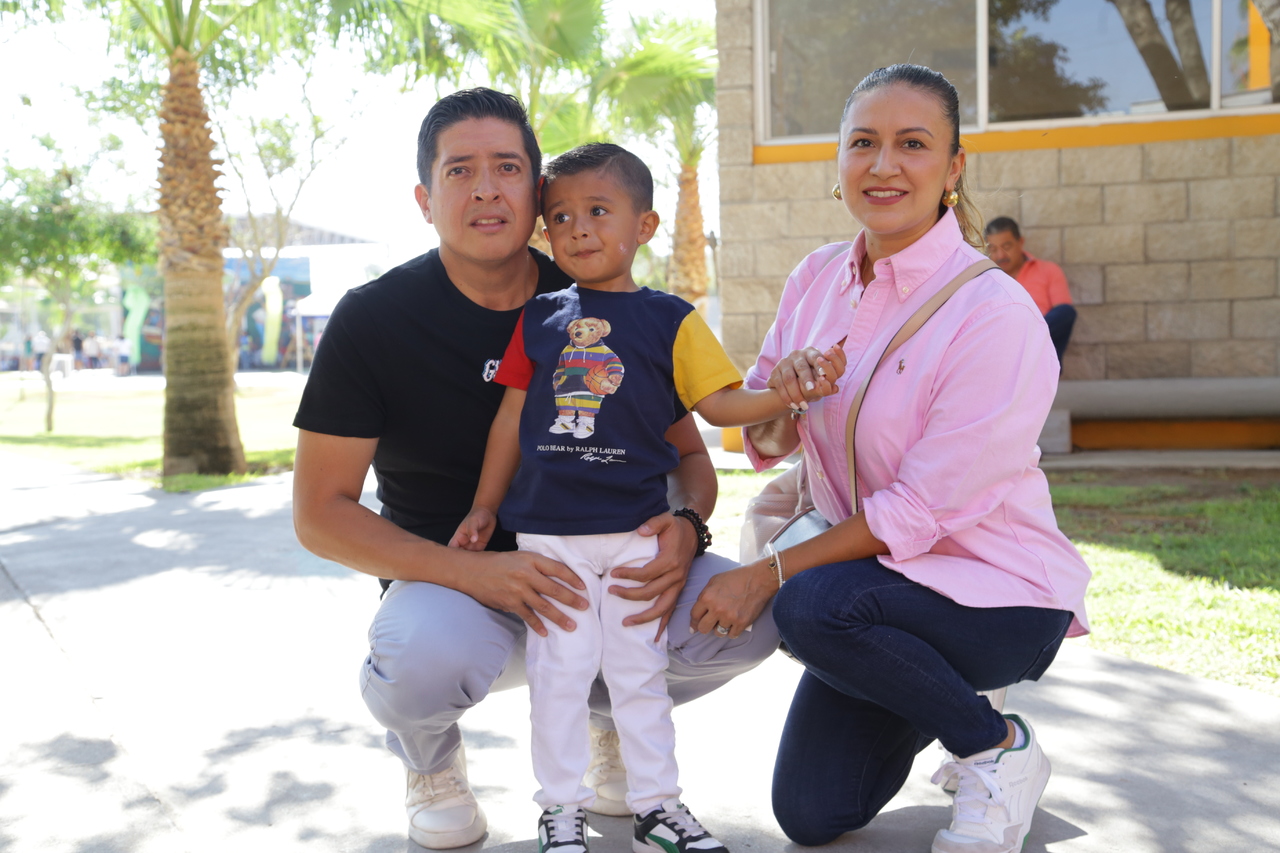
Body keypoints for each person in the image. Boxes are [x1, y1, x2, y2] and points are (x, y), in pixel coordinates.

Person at [290, 89, 781, 851]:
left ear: (537, 193)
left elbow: (689, 453)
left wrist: (686, 524)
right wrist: (478, 573)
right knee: (419, 661)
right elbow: (320, 513)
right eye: (461, 170)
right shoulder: (374, 318)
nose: (486, 187)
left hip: (611, 565)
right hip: (457, 590)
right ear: (426, 199)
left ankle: (609, 716)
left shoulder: (601, 299)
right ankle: (432, 764)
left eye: (507, 167)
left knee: (746, 617)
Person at [689, 64, 1091, 853]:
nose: (884, 165)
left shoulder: (994, 312)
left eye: (913, 144)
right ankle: (940, 693)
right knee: (813, 811)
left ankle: (992, 747)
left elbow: (916, 509)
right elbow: (765, 442)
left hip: (993, 594)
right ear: (837, 162)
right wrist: (786, 396)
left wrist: (767, 572)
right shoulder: (814, 279)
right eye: (863, 143)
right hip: (877, 593)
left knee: (804, 602)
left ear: (953, 168)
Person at [451, 143, 841, 853]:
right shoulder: (537, 319)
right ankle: (560, 810)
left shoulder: (671, 319)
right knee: (561, 672)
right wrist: (485, 505)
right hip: (551, 538)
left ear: (647, 224)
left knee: (637, 674)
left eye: (598, 211)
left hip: (637, 535)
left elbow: (722, 406)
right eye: (560, 216)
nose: (577, 228)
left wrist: (783, 391)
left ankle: (658, 804)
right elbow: (509, 420)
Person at [984, 216, 1077, 366]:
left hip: (1039, 348)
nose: (1000, 255)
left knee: (1066, 312)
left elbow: (1064, 314)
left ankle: (1027, 345)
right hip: (1000, 345)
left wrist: (1033, 333)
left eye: (1006, 247)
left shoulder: (1048, 270)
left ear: (1020, 242)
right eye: (993, 249)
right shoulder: (984, 280)